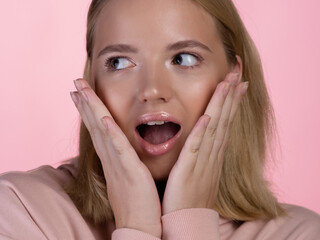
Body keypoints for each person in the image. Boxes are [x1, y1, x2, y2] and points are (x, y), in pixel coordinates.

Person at [0, 0, 319, 239]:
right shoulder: (19, 212)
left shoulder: (300, 234)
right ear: (93, 82)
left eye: (184, 58)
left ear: (233, 76)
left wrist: (189, 223)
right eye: (119, 62)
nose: (152, 90)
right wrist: (136, 226)